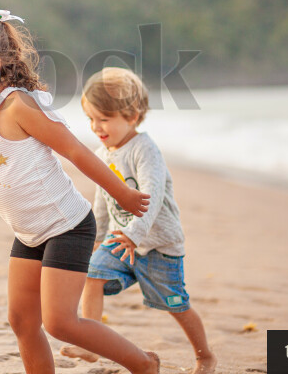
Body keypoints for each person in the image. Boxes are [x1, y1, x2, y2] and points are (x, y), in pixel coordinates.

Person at [0, 8, 160, 374]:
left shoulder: (17, 106)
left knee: (60, 323)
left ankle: (144, 364)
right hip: (29, 234)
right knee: (22, 321)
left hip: (67, 226)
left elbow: (75, 150)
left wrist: (122, 193)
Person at [60, 67, 216, 374]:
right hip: (121, 240)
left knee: (176, 304)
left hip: (158, 245)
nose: (95, 127)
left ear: (132, 115)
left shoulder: (145, 149)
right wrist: (97, 238)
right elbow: (102, 200)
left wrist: (135, 232)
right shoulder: (102, 153)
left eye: (103, 119)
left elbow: (152, 196)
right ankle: (91, 344)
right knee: (92, 274)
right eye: (91, 118)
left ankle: (205, 355)